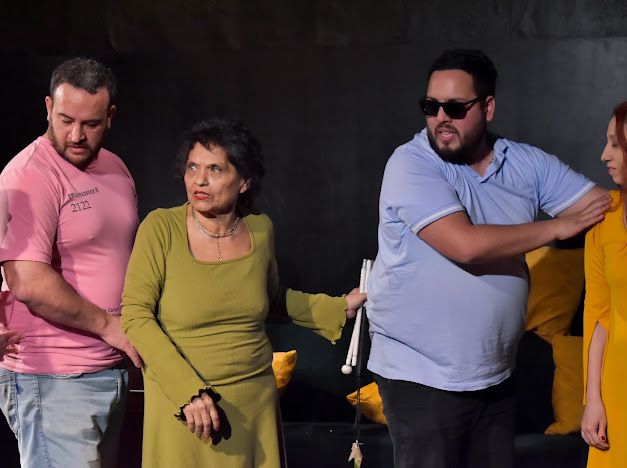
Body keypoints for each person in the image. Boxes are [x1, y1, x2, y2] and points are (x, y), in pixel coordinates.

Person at [366, 48, 611, 468]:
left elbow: (604, 208)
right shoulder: (411, 164)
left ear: (488, 107)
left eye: (455, 108)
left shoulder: (525, 163)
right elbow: (466, 246)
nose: (440, 118)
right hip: (421, 377)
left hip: (494, 374)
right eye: (430, 106)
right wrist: (556, 227)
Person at [121, 118, 366, 468]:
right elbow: (135, 315)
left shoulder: (260, 229)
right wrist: (188, 392)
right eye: (192, 167)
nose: (199, 180)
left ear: (245, 180)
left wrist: (339, 307)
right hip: (186, 406)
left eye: (215, 169)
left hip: (253, 402)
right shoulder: (161, 228)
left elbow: (272, 298)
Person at [0, 57, 141, 468]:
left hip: (108, 369)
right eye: (65, 120)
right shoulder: (29, 174)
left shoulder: (115, 167)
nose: (76, 135)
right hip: (53, 378)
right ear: (48, 107)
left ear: (110, 116)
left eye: (91, 124)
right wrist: (110, 326)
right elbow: (27, 280)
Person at [581, 101, 627, 467]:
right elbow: (598, 314)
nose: (604, 155)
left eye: (615, 144)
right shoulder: (604, 216)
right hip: (617, 384)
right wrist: (593, 400)